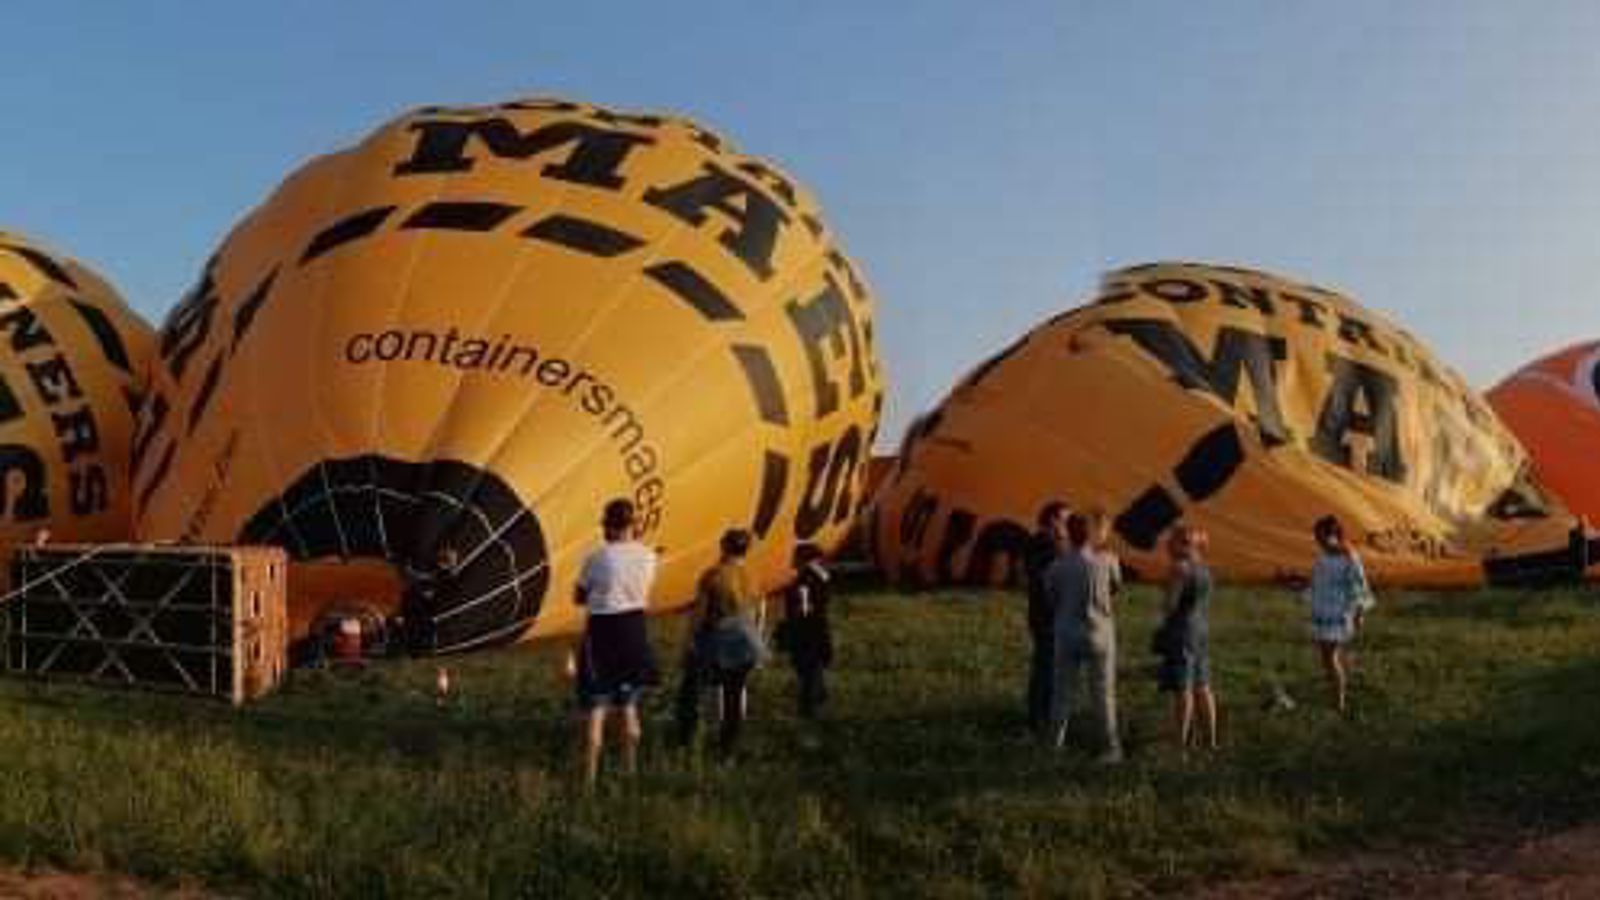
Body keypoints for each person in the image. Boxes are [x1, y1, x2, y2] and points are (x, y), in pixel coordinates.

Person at [573, 498, 660, 787]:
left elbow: (579, 597)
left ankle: (589, 778)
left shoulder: (597, 558)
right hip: (635, 629)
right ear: (632, 525)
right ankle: (630, 770)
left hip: (602, 631)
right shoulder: (649, 556)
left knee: (596, 708)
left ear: (609, 525)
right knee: (629, 705)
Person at [674, 528, 766, 759]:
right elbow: (760, 608)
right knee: (734, 694)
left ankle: (688, 737)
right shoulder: (753, 575)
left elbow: (699, 614)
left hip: (718, 640)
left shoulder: (713, 576)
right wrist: (758, 635)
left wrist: (687, 641)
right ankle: (729, 746)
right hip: (747, 641)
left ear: (723, 546)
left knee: (693, 688)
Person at [1046, 510, 1125, 762]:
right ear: (1093, 533)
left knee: (1062, 691)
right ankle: (1111, 747)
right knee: (1103, 693)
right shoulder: (1110, 560)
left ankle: (1054, 745)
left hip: (1067, 631)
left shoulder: (1056, 566)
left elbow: (1052, 598)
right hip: (1100, 632)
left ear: (1068, 533)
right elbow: (1115, 588)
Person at [1153, 524, 1218, 751]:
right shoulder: (1204, 568)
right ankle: (1210, 741)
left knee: (1183, 689)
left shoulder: (1179, 568)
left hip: (1181, 632)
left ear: (1182, 544)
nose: (1167, 546)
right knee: (1203, 686)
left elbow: (1170, 604)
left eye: (1171, 541)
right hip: (1201, 629)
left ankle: (1180, 746)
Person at [1307, 515, 1375, 714]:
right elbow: (1318, 582)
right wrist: (1300, 587)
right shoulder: (1322, 556)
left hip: (1338, 613)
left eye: (1319, 535)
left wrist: (1360, 613)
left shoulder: (1349, 557)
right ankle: (1335, 693)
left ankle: (1339, 702)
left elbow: (1360, 585)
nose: (1316, 539)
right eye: (1316, 535)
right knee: (1327, 657)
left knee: (1330, 657)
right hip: (1322, 611)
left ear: (1332, 535)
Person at [1023, 501, 1069, 736]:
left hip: (1042, 616)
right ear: (1052, 521)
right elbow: (1051, 584)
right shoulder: (1045, 547)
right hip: (1048, 618)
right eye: (1065, 520)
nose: (1068, 527)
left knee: (1045, 666)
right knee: (1047, 669)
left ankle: (1040, 716)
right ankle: (1040, 719)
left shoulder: (1038, 544)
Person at [779, 543, 834, 718]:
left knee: (807, 668)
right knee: (814, 665)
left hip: (805, 630)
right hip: (818, 626)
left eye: (795, 556)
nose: (792, 559)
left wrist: (793, 622)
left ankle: (809, 707)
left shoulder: (805, 578)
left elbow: (803, 607)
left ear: (803, 558)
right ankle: (819, 697)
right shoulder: (823, 574)